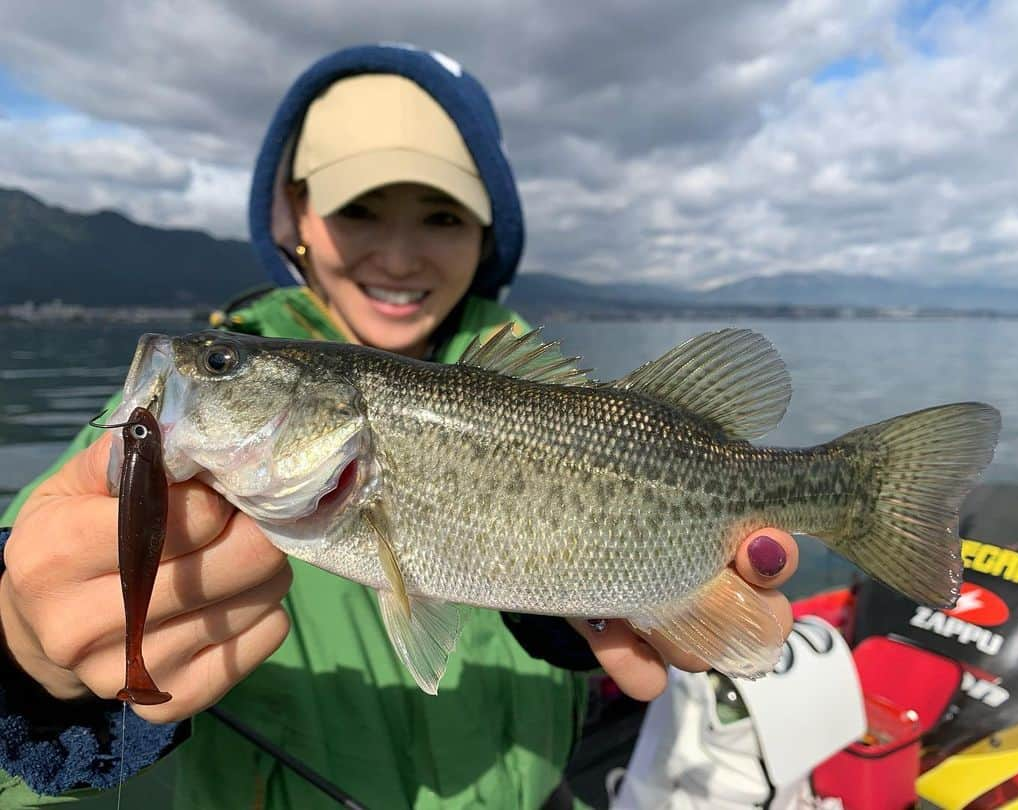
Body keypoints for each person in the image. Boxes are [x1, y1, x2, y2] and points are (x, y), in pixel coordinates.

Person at [0, 44, 799, 809]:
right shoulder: (164, 442)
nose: (400, 253)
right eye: (361, 211)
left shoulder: (550, 385)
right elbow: (40, 550)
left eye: (442, 217)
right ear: (298, 218)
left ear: (487, 236)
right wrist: (27, 659)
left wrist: (566, 613)